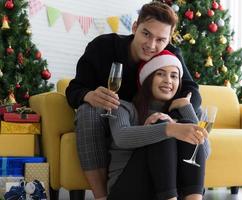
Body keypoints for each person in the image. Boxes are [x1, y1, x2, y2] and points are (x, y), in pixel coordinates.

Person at [65, 2, 202, 199]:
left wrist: (170, 117)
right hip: (114, 115)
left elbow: (191, 91)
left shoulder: (171, 54)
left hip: (151, 117)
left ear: (169, 39)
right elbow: (74, 89)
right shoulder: (103, 47)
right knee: (88, 110)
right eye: (146, 34)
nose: (152, 45)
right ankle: (102, 196)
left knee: (183, 116)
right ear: (135, 27)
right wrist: (88, 95)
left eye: (161, 39)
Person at [107, 50, 210, 200]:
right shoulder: (123, 107)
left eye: (174, 76)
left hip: (172, 190)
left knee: (184, 126)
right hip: (128, 188)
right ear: (148, 78)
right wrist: (168, 128)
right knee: (163, 126)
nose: (168, 80)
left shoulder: (189, 111)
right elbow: (122, 137)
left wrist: (186, 109)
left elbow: (203, 153)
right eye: (160, 74)